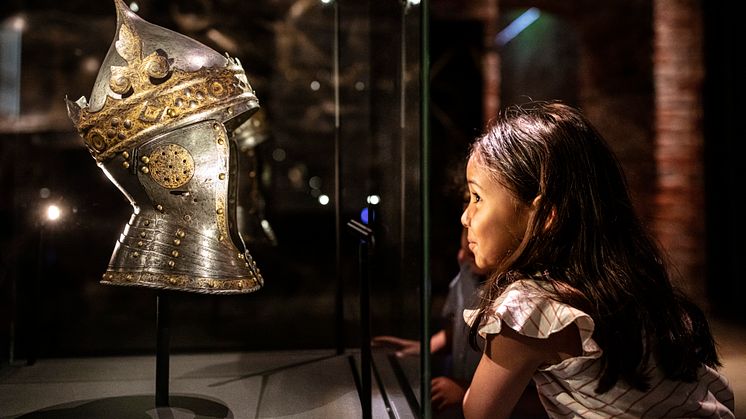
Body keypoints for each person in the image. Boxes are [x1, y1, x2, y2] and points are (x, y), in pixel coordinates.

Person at [459, 100, 735, 419]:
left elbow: (479, 413)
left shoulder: (526, 309)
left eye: (478, 197)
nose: (466, 217)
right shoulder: (624, 281)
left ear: (546, 215)